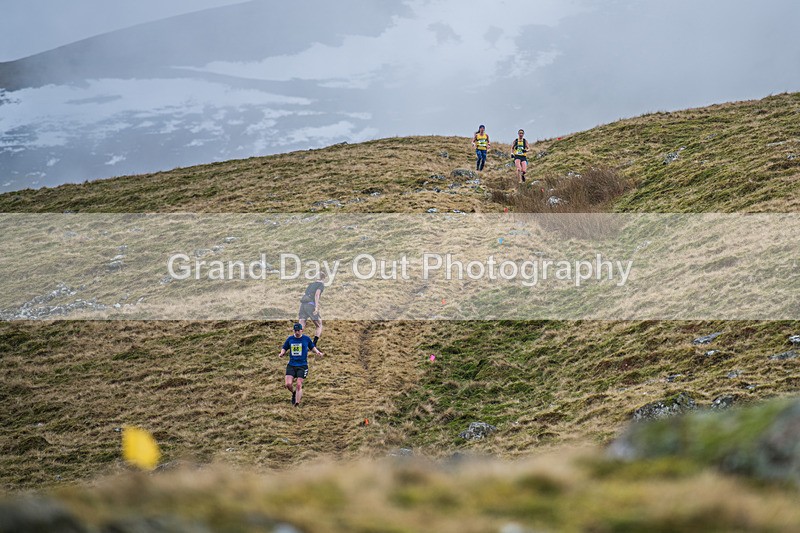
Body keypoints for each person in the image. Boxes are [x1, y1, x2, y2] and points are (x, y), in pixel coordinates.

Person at [280, 323, 324, 407]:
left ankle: (297, 403)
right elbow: (284, 347)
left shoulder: (306, 339)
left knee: (299, 384)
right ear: (293, 331)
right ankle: (294, 393)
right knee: (288, 384)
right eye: (295, 331)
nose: (297, 332)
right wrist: (282, 353)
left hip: (302, 365)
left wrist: (317, 352)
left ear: (302, 330)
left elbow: (312, 347)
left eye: (298, 331)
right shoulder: (290, 339)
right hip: (291, 365)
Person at [298, 272, 326, 347]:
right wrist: (316, 307)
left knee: (301, 325)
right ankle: (314, 344)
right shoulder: (321, 285)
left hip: (303, 305)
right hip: (310, 305)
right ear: (323, 278)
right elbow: (317, 295)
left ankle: (297, 342)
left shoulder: (311, 284)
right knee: (319, 325)